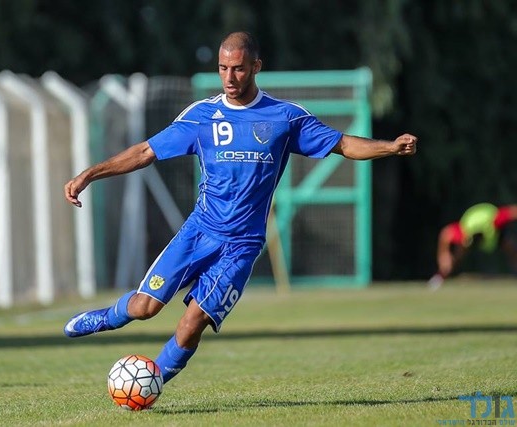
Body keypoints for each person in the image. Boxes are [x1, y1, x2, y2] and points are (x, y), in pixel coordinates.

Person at [63, 31, 418, 384]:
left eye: (238, 69)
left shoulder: (284, 117)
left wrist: (389, 147)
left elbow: (343, 145)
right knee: (145, 308)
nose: (230, 78)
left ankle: (150, 383)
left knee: (193, 322)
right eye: (223, 68)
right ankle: (105, 318)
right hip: (199, 232)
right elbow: (144, 152)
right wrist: (88, 175)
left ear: (256, 67)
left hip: (242, 246)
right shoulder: (203, 116)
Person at [428, 203, 517, 289]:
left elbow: (513, 211)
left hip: (496, 236)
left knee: (511, 247)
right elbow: (445, 233)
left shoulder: (495, 220)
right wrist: (443, 253)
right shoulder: (464, 229)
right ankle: (439, 278)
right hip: (470, 238)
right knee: (456, 257)